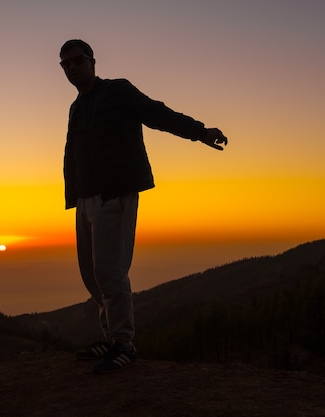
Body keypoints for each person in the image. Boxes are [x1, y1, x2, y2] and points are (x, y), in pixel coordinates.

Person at [58, 39, 227, 374]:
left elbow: (156, 113)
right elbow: (72, 154)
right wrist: (74, 196)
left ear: (92, 61)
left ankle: (124, 344)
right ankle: (109, 338)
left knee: (110, 271)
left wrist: (200, 132)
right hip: (86, 200)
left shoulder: (117, 91)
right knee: (92, 276)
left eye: (78, 60)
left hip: (115, 194)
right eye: (67, 64)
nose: (73, 67)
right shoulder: (77, 106)